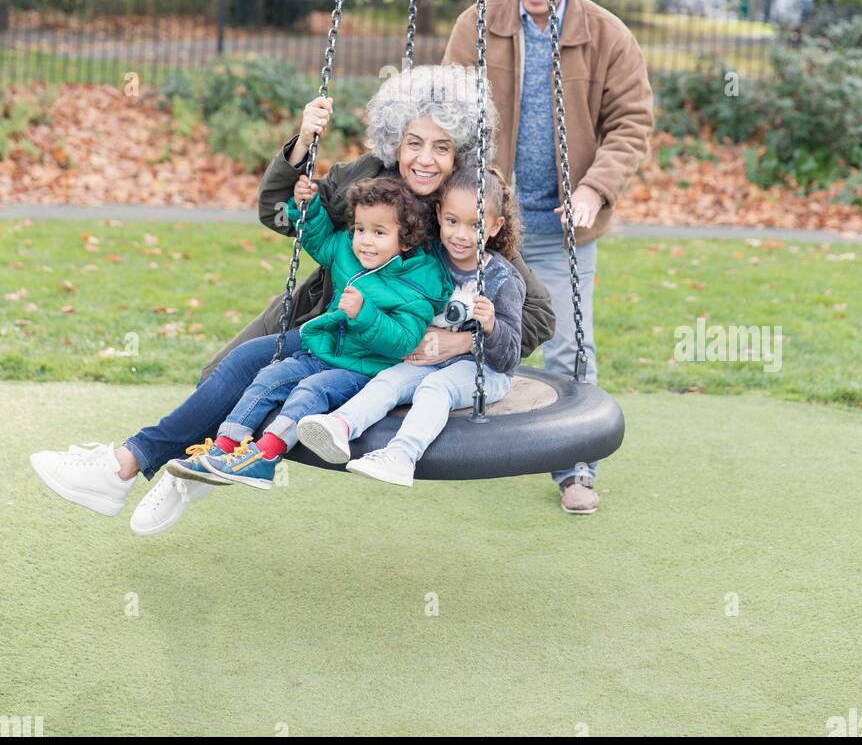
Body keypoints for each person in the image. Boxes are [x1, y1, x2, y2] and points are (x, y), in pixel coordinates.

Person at [29, 66, 554, 535]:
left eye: (442, 147)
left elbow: (536, 314)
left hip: (385, 356)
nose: (425, 159)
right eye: (414, 142)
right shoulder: (366, 180)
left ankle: (155, 467)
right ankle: (159, 466)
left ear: (461, 150)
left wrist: (455, 341)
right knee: (231, 369)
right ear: (396, 139)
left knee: (260, 377)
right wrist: (303, 143)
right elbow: (279, 212)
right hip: (327, 320)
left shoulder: (465, 212)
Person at [443, 0, 654, 515]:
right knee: (455, 326)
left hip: (563, 226)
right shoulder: (478, 26)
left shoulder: (608, 36)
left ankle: (574, 468)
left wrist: (594, 189)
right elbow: (450, 110)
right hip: (484, 224)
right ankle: (434, 437)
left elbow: (632, 123)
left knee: (566, 345)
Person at [163, 174, 453, 490]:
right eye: (359, 229)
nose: (365, 240)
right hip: (321, 349)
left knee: (311, 390)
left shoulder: (416, 287)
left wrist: (365, 315)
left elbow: (404, 342)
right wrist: (308, 206)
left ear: (406, 239)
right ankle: (224, 448)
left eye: (379, 232)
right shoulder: (348, 251)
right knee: (270, 377)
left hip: (362, 370)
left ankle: (264, 458)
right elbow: (318, 240)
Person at [298, 165, 525, 487]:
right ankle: (340, 426)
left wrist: (490, 328)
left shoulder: (502, 280)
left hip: (483, 371)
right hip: (430, 362)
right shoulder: (429, 261)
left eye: (474, 225)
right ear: (438, 215)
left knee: (436, 388)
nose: (460, 234)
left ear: (495, 226)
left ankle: (402, 456)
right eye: (451, 222)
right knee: (390, 379)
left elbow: (510, 356)